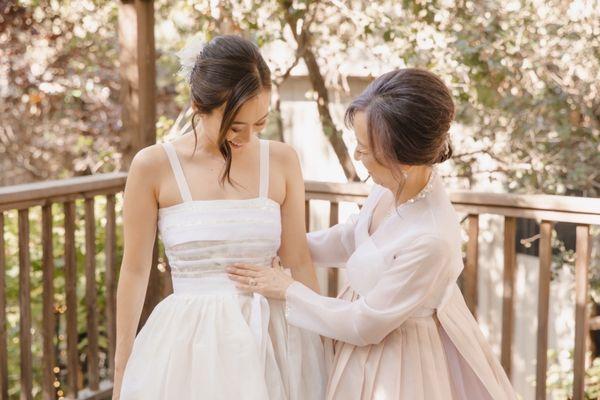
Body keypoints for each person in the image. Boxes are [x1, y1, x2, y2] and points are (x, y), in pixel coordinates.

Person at [227, 68, 517, 399]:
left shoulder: (431, 238)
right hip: (357, 335)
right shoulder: (393, 185)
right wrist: (279, 241)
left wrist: (288, 290)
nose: (357, 156)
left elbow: (365, 323)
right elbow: (352, 238)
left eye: (366, 150)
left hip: (395, 359)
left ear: (403, 159)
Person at [113, 35, 325, 400]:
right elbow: (134, 270)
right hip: (191, 347)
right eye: (235, 125)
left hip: (272, 339)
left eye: (259, 123)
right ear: (199, 106)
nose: (247, 137)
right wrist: (122, 367)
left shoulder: (282, 160)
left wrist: (323, 342)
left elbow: (299, 260)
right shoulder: (153, 166)